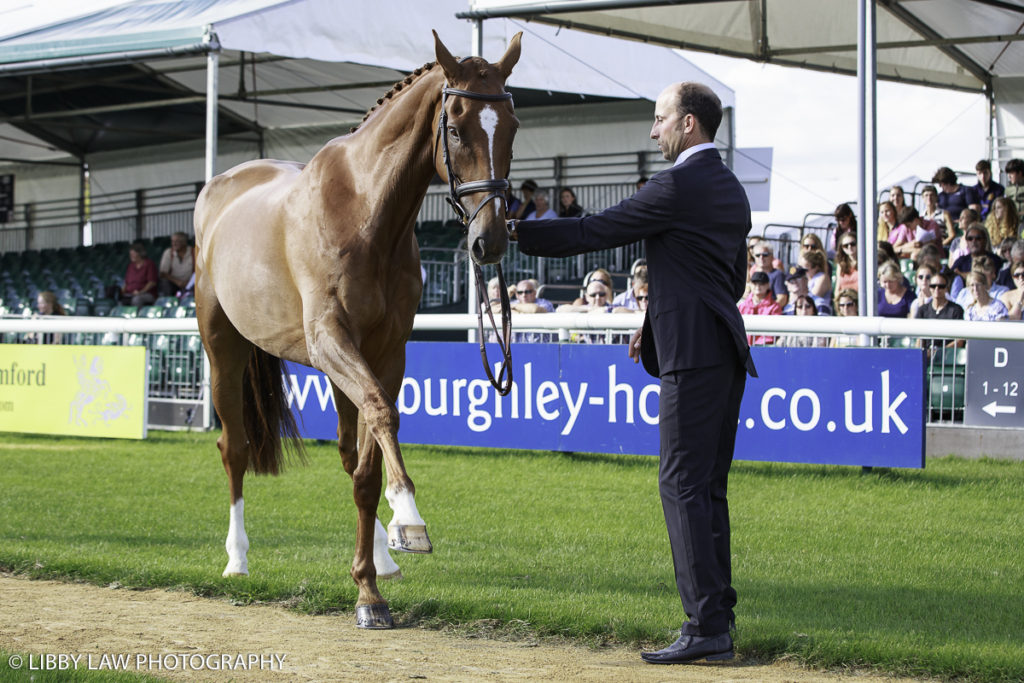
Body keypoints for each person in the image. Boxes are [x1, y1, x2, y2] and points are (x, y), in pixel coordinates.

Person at [512, 81, 754, 665]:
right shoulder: (729, 188)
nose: (654, 130)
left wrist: (512, 231)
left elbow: (593, 231)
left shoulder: (678, 184)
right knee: (707, 487)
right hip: (722, 352)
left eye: (660, 119)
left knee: (682, 486)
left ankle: (705, 628)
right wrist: (659, 317)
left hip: (694, 358)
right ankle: (715, 616)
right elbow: (727, 280)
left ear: (689, 124)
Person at [915, 270, 963, 353]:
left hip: (948, 357)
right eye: (933, 286)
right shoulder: (923, 310)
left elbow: (959, 341)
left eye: (941, 286)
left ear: (946, 288)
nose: (937, 289)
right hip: (927, 355)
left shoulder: (956, 310)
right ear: (929, 287)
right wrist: (921, 354)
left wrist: (939, 352)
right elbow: (919, 338)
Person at [737, 271, 781, 345]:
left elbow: (775, 331)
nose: (758, 286)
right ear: (750, 285)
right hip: (743, 346)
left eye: (761, 284)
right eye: (755, 283)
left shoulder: (774, 307)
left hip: (765, 348)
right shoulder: (742, 305)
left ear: (768, 285)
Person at [113, 242, 157, 306]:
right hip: (130, 294)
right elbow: (126, 283)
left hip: (146, 294)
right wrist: (121, 293)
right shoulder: (130, 266)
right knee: (120, 301)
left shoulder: (149, 264)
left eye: (133, 254)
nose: (131, 256)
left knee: (136, 300)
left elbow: (152, 282)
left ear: (140, 254)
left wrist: (140, 292)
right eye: (130, 254)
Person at [749, 241, 787, 308]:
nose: (761, 258)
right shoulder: (752, 273)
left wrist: (767, 310)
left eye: (765, 254)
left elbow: (782, 298)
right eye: (758, 255)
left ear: (772, 256)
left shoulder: (778, 275)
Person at [158, 231, 194, 297]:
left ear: (184, 242)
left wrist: (189, 282)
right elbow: (163, 274)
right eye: (172, 241)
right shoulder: (168, 252)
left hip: (191, 283)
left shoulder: (193, 252)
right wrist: (178, 282)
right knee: (165, 283)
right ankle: (168, 303)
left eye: (177, 241)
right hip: (174, 283)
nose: (173, 244)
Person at [799, 248, 832, 313]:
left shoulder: (822, 277)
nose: (802, 272)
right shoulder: (805, 278)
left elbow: (812, 298)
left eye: (805, 269)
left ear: (816, 267)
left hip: (820, 310)